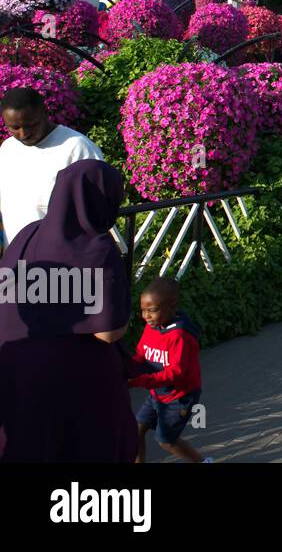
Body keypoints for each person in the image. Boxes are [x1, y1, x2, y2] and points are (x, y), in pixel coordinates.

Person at [0, 160, 137, 462]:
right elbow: (108, 332)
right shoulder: (98, 248)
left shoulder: (26, 234)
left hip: (13, 370)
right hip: (75, 380)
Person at [0, 88, 105, 249]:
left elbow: (97, 207)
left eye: (31, 125)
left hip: (63, 259)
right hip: (16, 257)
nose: (23, 134)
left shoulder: (77, 147)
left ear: (45, 111)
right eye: (14, 127)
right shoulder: (7, 149)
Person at [130, 277, 207, 463]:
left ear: (172, 307)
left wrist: (138, 381)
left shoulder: (180, 336)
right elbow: (141, 353)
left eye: (152, 310)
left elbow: (175, 373)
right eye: (143, 310)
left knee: (166, 441)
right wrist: (127, 368)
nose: (145, 316)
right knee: (135, 430)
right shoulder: (152, 327)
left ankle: (203, 462)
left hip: (179, 398)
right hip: (158, 393)